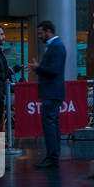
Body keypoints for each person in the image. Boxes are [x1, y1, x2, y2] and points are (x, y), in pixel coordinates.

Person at [27, 20, 66, 169]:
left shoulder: (56, 47)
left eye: (40, 33)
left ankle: (52, 156)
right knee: (52, 123)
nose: (39, 36)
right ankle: (53, 155)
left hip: (52, 92)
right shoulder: (55, 46)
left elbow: (54, 70)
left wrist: (38, 68)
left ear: (49, 31)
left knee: (49, 123)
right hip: (53, 91)